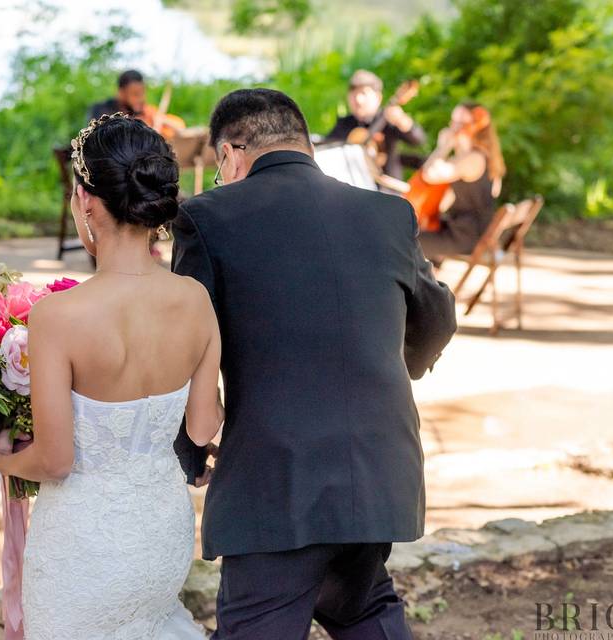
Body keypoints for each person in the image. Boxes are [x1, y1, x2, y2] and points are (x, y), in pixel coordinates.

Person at [172, 88, 457, 639]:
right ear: (302, 143)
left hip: (276, 485)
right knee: (365, 609)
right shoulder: (386, 213)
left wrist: (190, 454)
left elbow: (188, 346)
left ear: (230, 153)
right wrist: (405, 363)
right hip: (379, 470)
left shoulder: (207, 218)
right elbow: (438, 316)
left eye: (217, 168)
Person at [0, 113, 221, 639]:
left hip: (85, 543)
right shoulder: (195, 299)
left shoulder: (58, 316)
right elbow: (204, 428)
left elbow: (55, 458)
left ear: (87, 201)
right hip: (162, 531)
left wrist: (1, 458)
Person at [417, 102, 506, 262]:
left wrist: (443, 146)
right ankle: (429, 278)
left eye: (458, 123)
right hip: (473, 234)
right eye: (453, 121)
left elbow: (428, 175)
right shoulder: (483, 156)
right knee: (413, 231)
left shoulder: (472, 159)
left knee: (401, 240)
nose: (452, 126)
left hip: (464, 238)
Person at [325, 69, 426, 180]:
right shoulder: (344, 123)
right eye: (353, 93)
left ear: (378, 97)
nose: (358, 99)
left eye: (363, 93)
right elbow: (327, 146)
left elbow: (419, 140)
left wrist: (403, 122)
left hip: (386, 190)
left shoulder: (389, 120)